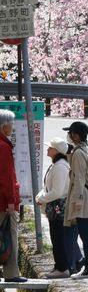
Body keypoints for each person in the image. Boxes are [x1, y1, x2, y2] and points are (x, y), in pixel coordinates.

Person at [64, 121, 88, 279]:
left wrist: (77, 202)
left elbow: (79, 180)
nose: (69, 135)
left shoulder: (79, 153)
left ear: (76, 135)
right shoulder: (86, 149)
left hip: (84, 200)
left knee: (86, 236)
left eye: (70, 133)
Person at [36, 137, 73, 278]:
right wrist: (40, 196)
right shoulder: (57, 165)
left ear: (56, 151)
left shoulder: (60, 167)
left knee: (58, 238)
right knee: (56, 237)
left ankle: (62, 268)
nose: (48, 149)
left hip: (58, 208)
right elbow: (48, 187)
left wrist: (41, 199)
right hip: (55, 207)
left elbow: (57, 192)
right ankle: (59, 266)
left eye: (50, 147)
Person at [0, 109, 26, 284]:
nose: (13, 127)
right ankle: (11, 273)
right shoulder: (3, 146)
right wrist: (11, 201)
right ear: (4, 126)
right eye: (11, 124)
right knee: (9, 236)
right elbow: (7, 177)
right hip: (3, 202)